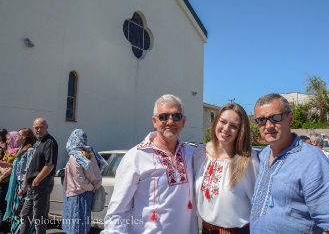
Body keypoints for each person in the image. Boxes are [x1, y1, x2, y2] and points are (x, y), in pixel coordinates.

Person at [250, 93, 329, 234]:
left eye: (275, 118)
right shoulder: (264, 155)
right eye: (261, 120)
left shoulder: (313, 160)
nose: (268, 125)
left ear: (290, 118)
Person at [102, 94, 198, 234]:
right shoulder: (136, 157)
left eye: (176, 116)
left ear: (183, 121)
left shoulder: (192, 154)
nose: (170, 121)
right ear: (154, 121)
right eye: (164, 116)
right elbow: (118, 211)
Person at [193, 103, 259, 234]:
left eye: (234, 126)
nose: (226, 128)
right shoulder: (200, 153)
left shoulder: (249, 160)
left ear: (241, 130)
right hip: (206, 229)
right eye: (222, 122)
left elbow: (258, 204)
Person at [62, 129, 107, 234]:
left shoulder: (74, 156)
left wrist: (90, 187)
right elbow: (97, 173)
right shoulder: (91, 153)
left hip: (75, 195)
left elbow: (79, 177)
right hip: (88, 194)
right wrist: (94, 186)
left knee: (75, 226)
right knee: (83, 225)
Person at [20, 118, 58, 234]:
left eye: (41, 127)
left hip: (42, 184)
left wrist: (37, 180)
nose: (39, 130)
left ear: (47, 127)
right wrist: (25, 184)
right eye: (36, 127)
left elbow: (50, 164)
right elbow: (31, 165)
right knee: (24, 214)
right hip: (32, 185)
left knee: (39, 218)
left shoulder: (49, 142)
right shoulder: (38, 142)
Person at [2, 128, 37, 234]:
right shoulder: (22, 149)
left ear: (24, 137)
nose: (16, 136)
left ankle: (21, 231)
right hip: (17, 183)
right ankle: (15, 230)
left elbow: (28, 170)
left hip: (23, 184)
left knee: (21, 211)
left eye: (19, 134)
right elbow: (19, 168)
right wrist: (8, 165)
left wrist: (23, 187)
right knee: (15, 210)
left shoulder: (30, 150)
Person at [0, 131, 21, 233]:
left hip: (9, 182)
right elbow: (2, 163)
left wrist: (2, 176)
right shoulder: (8, 150)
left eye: (9, 139)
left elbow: (13, 168)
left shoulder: (18, 152)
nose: (7, 141)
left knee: (5, 205)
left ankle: (4, 227)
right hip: (3, 179)